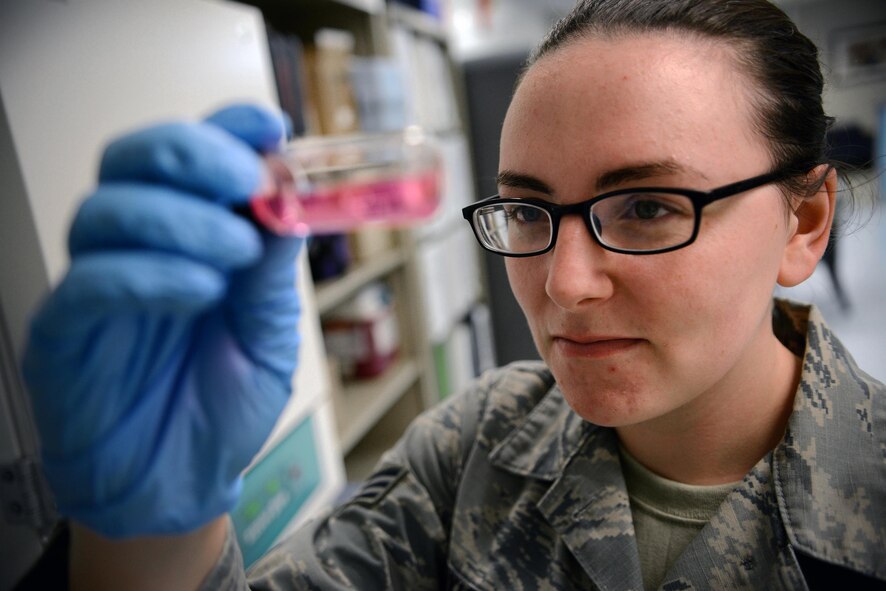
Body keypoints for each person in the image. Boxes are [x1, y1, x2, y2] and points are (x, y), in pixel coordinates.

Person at [17, 0, 885, 589]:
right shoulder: (477, 444)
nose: (563, 284)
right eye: (527, 208)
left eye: (650, 206)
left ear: (803, 222)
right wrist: (146, 537)